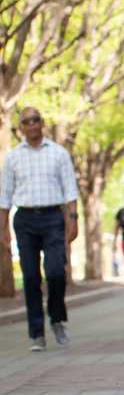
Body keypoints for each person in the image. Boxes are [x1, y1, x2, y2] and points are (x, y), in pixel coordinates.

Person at [0, 107, 79, 351]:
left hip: (53, 217)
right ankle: (37, 333)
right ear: (21, 128)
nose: (32, 124)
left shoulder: (58, 153)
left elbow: (70, 189)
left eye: (36, 120)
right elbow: (4, 196)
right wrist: (2, 228)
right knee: (31, 276)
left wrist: (73, 218)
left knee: (56, 272)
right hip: (24, 219)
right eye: (26, 121)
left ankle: (57, 319)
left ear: (42, 123)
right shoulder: (13, 158)